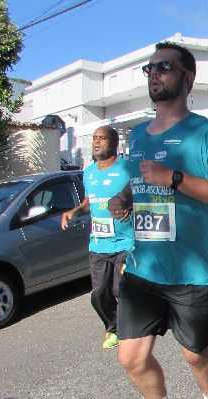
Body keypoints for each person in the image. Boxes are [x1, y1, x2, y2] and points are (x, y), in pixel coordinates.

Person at [107, 42, 208, 399]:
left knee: (195, 354)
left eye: (164, 67)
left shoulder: (205, 133)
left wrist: (175, 178)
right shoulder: (136, 136)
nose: (154, 73)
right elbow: (137, 182)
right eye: (149, 68)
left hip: (192, 271)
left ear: (187, 78)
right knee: (130, 357)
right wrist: (124, 200)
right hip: (143, 266)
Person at [61, 126, 134, 350]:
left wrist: (131, 203)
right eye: (94, 138)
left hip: (125, 242)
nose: (96, 142)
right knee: (99, 294)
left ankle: (132, 326)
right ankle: (114, 328)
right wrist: (74, 212)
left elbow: (141, 193)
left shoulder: (127, 168)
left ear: (114, 143)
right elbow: (88, 203)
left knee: (119, 289)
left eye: (102, 138)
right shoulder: (89, 173)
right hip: (98, 244)